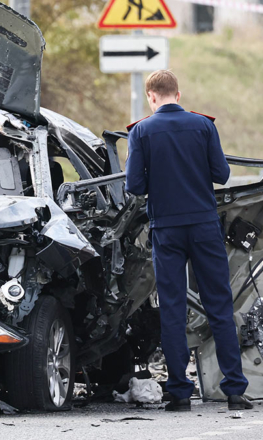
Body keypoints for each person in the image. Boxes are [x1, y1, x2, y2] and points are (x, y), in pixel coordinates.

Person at [125, 70, 252, 411]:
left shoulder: (141, 131)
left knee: (172, 309)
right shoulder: (203, 126)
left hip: (167, 230)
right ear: (178, 95)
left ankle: (180, 392)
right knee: (219, 306)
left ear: (151, 97)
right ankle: (234, 390)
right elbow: (222, 174)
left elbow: (134, 186)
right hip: (204, 227)